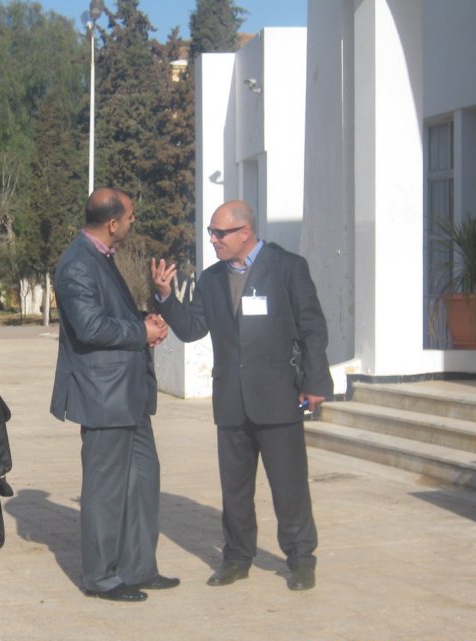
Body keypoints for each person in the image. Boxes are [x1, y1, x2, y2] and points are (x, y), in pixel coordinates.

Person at [151, 200, 333, 591]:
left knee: (289, 487)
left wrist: (316, 383)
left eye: (220, 233)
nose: (213, 240)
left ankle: (301, 560)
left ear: (245, 232)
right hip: (231, 400)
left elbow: (312, 329)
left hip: (279, 396)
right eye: (211, 232)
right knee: (235, 490)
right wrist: (166, 298)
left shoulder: (287, 268)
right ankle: (236, 559)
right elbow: (192, 329)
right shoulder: (212, 278)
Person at [50, 188, 178, 603]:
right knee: (105, 491)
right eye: (130, 215)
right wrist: (140, 331)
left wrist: (144, 320)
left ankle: (138, 568)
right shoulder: (77, 264)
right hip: (104, 396)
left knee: (143, 480)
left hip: (130, 393)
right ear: (112, 223)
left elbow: (110, 316)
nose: (133, 220)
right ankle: (101, 578)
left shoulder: (101, 257)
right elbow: (89, 327)